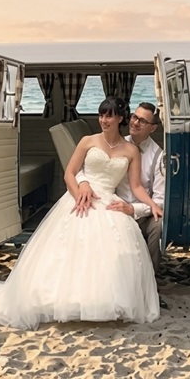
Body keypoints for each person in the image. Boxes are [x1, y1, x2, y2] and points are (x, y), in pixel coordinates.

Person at [0, 97, 163, 330]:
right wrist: (80, 190)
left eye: (109, 116)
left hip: (109, 199)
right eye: (101, 115)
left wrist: (153, 204)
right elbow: (69, 173)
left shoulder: (131, 150)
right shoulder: (87, 141)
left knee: (114, 248)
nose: (103, 120)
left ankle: (101, 301)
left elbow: (137, 187)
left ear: (120, 118)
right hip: (82, 198)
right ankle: (62, 300)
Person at [74, 101, 167, 306]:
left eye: (143, 121)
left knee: (159, 225)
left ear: (153, 127)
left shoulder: (159, 156)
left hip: (139, 212)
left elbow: (157, 199)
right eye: (135, 117)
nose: (136, 123)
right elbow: (81, 168)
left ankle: (148, 286)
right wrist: (84, 183)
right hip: (110, 204)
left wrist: (134, 209)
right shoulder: (113, 140)